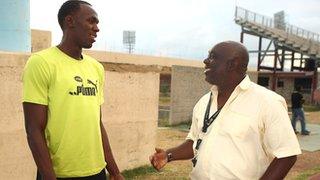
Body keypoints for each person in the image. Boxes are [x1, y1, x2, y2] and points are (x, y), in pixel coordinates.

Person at [149, 41, 301, 179]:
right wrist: (168, 155)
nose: (205, 61)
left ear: (232, 64)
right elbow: (196, 141)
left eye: (212, 57)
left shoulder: (267, 102)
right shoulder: (204, 102)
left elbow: (287, 155)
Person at [22, 1, 124, 179]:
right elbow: (33, 129)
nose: (97, 28)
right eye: (91, 21)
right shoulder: (41, 63)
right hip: (59, 174)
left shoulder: (96, 68)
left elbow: (97, 123)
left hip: (97, 172)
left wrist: (114, 171)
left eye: (97, 23)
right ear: (70, 21)